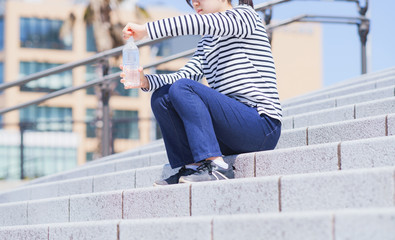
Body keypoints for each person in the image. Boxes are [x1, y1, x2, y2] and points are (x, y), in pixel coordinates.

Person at [120, 0, 282, 186]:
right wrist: (145, 81)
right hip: (232, 131)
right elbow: (183, 76)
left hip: (261, 127)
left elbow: (198, 23)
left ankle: (218, 167)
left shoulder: (245, 16)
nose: (195, 3)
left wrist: (147, 30)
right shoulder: (208, 41)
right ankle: (193, 166)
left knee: (183, 88)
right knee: (162, 97)